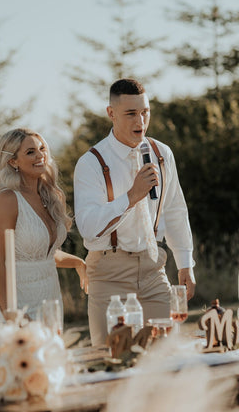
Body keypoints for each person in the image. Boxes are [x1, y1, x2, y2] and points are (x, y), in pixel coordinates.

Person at [74, 78, 196, 346]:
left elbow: (175, 208)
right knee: (113, 360)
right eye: (131, 113)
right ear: (111, 113)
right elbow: (88, 226)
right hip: (109, 276)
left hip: (154, 269)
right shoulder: (91, 163)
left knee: (166, 357)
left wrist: (185, 262)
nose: (140, 121)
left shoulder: (161, 153)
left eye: (145, 112)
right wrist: (131, 196)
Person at [0, 127, 88, 323]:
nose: (40, 155)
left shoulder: (50, 196)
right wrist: (12, 313)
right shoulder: (7, 200)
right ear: (12, 161)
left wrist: (78, 262)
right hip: (18, 304)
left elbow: (44, 253)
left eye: (42, 148)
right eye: (30, 152)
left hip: (51, 301)